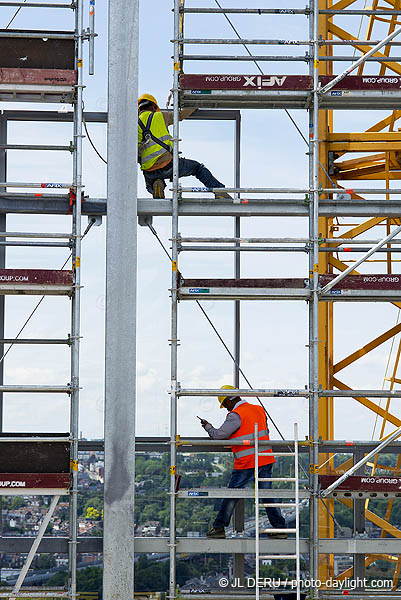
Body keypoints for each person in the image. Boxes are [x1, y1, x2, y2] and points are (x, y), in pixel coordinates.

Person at [200, 384, 287, 540]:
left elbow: (219, 435)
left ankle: (219, 528)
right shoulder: (259, 409)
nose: (226, 409)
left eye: (225, 405)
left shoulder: (235, 415)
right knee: (268, 495)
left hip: (247, 462)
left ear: (229, 401)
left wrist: (208, 427)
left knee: (232, 494)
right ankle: (280, 529)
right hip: (265, 458)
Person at [137, 94, 232, 199]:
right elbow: (181, 114)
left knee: (150, 186)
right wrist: (195, 104)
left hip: (149, 169)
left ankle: (157, 183)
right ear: (153, 107)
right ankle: (219, 191)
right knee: (197, 168)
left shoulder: (135, 124)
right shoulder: (160, 116)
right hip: (168, 163)